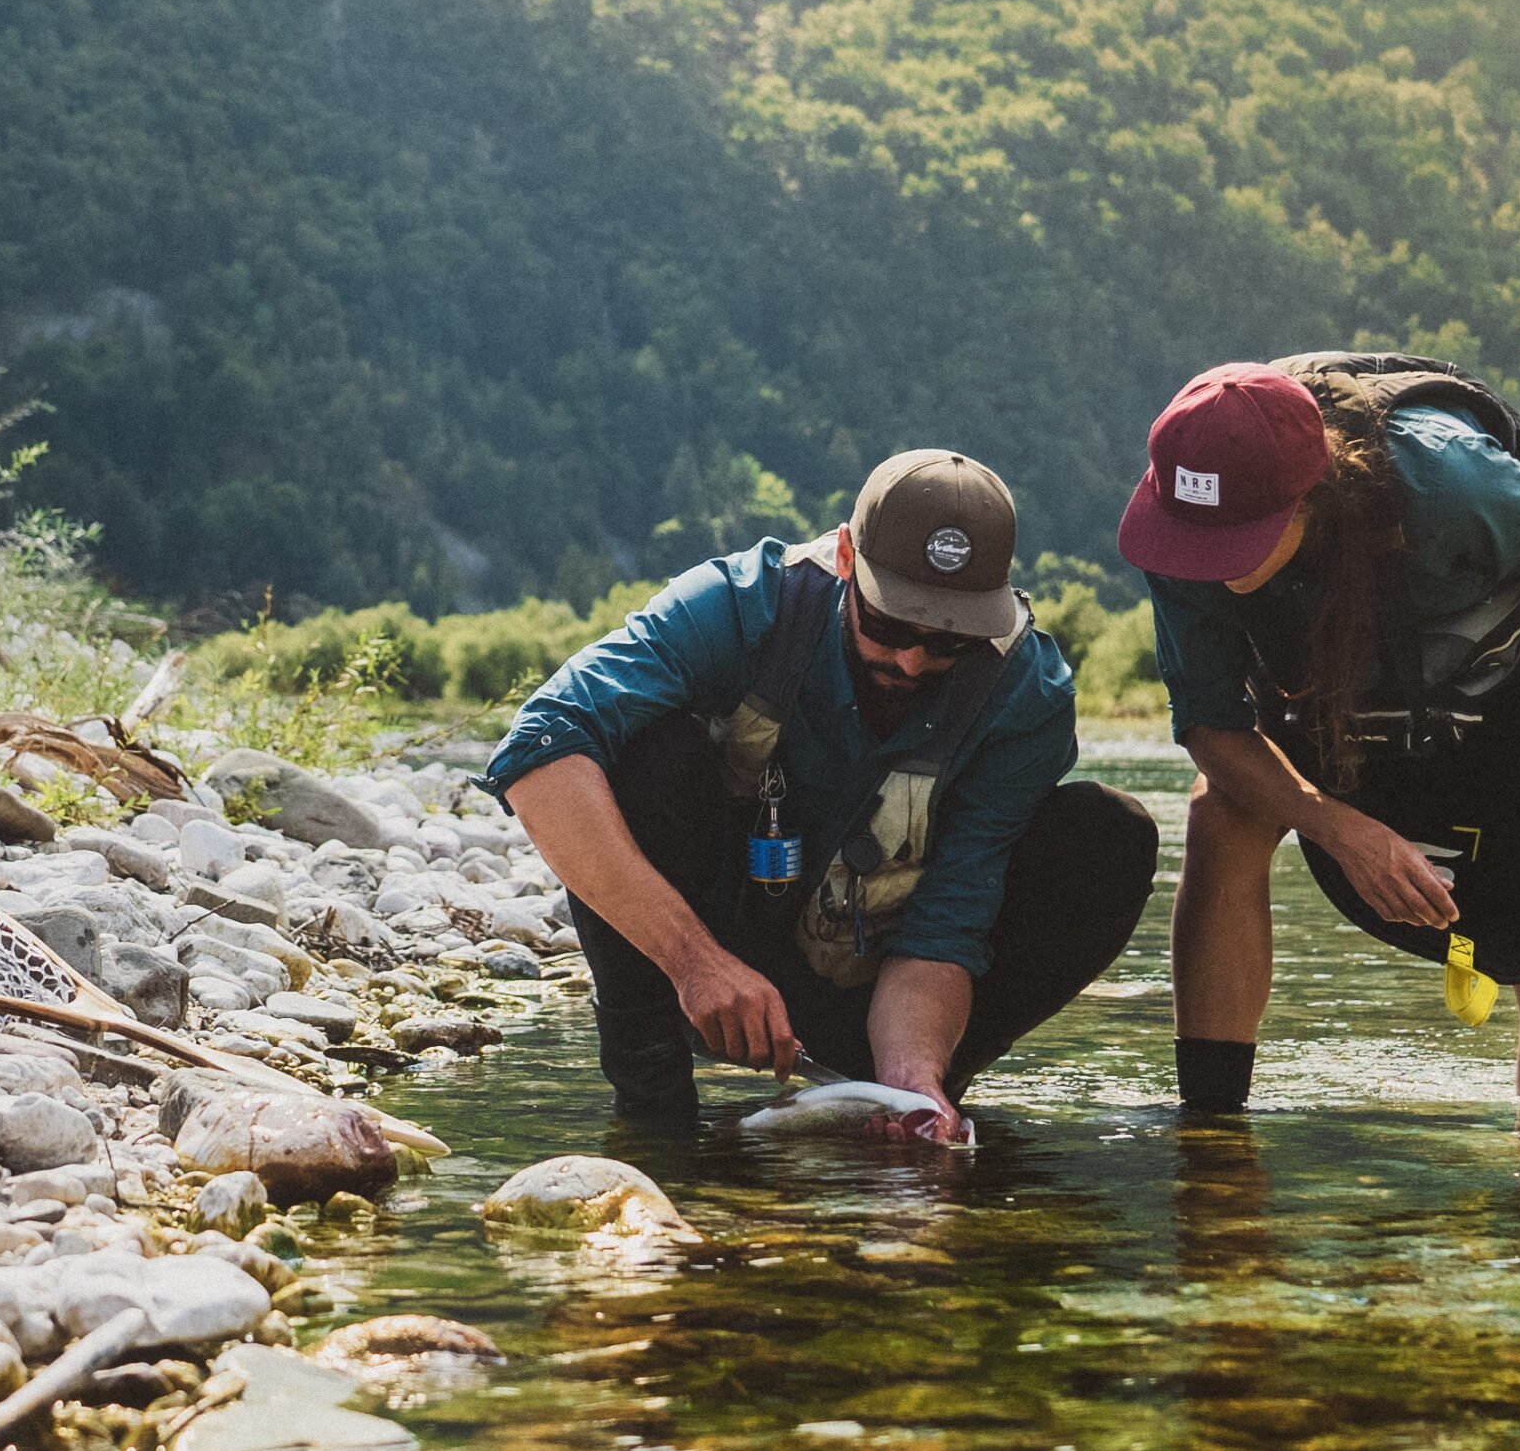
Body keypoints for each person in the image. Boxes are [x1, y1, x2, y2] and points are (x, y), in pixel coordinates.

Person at [492, 452, 1159, 1140]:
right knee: (643, 751)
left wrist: (908, 1078)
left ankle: (912, 1097)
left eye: (948, 641)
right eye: (893, 625)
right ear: (846, 558)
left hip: (876, 983)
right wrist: (697, 965)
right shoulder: (739, 604)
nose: (912, 661)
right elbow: (539, 746)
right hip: (696, 968)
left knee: (1106, 833)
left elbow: (950, 919)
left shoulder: (1026, 694)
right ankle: (653, 1116)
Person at [1116, 355, 1520, 1120]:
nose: (1207, 564)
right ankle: (1212, 1133)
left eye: (1236, 541)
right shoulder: (1183, 525)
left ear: (1311, 499)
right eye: (1197, 541)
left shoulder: (1447, 483)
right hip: (1335, 660)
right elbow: (1211, 724)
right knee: (1222, 809)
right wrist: (1340, 829)